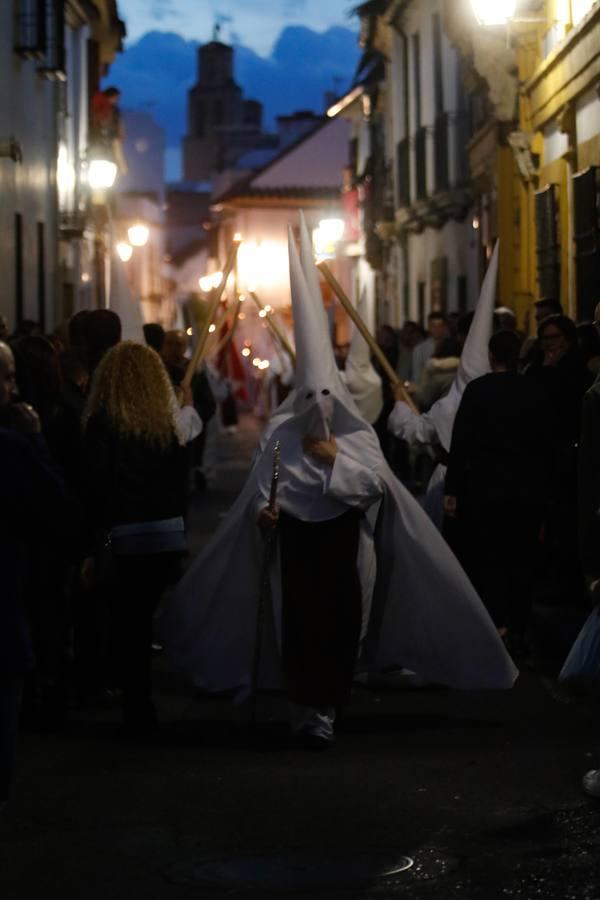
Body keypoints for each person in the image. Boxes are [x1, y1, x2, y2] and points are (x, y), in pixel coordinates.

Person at [164, 219, 517, 750]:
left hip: (346, 552)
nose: (322, 413)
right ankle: (306, 709)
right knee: (298, 633)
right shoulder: (283, 435)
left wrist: (333, 463)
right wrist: (266, 511)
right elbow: (265, 486)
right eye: (312, 401)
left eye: (329, 400)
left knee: (340, 631)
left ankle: (326, 708)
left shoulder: (354, 438)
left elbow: (373, 487)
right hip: (296, 554)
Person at [81, 342, 190, 733]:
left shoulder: (103, 422)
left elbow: (96, 486)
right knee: (143, 618)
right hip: (162, 535)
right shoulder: (165, 423)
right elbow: (181, 481)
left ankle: (135, 701)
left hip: (123, 535)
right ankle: (140, 701)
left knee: (126, 621)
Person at [443, 331, 553, 638]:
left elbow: (461, 442)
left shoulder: (478, 390)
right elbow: (545, 444)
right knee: (521, 559)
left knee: (488, 557)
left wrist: (452, 489)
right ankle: (518, 624)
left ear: (492, 356)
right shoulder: (535, 389)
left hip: (483, 488)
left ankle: (494, 621)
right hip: (526, 490)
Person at [388, 245, 499, 526]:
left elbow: (416, 431)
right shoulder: (508, 397)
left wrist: (400, 402)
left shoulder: (454, 403)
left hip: (451, 485)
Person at [410, 311, 449, 383]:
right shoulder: (419, 349)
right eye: (433, 326)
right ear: (429, 327)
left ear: (444, 327)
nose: (437, 329)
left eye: (440, 326)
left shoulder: (451, 346)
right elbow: (416, 375)